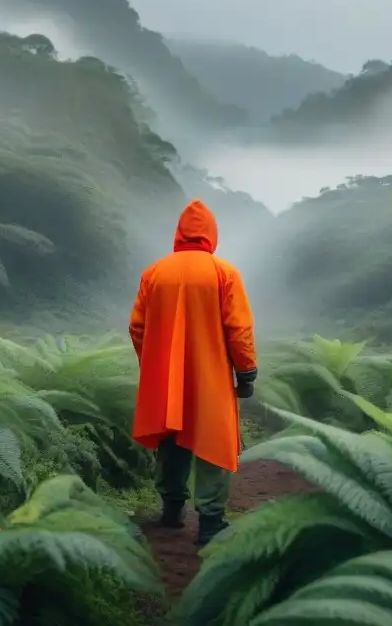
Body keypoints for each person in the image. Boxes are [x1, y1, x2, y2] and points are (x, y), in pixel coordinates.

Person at [128, 198, 258, 547]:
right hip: (211, 377)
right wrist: (246, 372)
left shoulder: (154, 273)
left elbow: (137, 327)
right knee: (214, 442)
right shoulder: (224, 273)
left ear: (179, 234)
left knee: (170, 440)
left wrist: (153, 364)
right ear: (211, 234)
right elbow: (239, 329)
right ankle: (211, 525)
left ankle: (171, 511)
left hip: (165, 377)